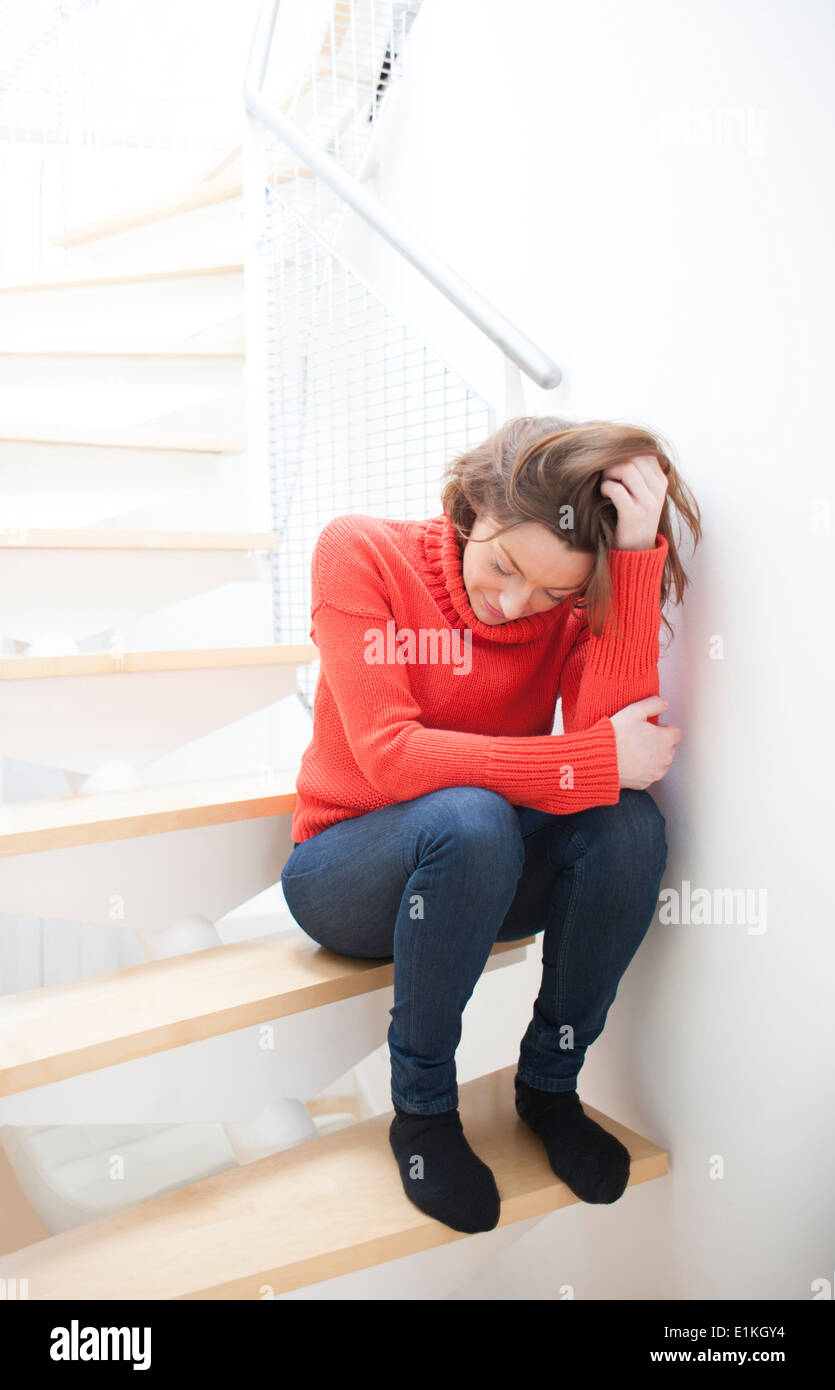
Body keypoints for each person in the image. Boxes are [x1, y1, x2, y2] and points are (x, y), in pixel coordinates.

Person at [280, 415, 701, 1234]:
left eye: (554, 593)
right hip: (345, 871)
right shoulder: (361, 552)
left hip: (482, 864)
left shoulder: (575, 601)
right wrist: (587, 762)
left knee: (627, 824)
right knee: (471, 817)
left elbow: (604, 739)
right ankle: (424, 1110)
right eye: (505, 566)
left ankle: (549, 1085)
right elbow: (391, 759)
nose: (514, 607)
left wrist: (633, 558)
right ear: (474, 505)